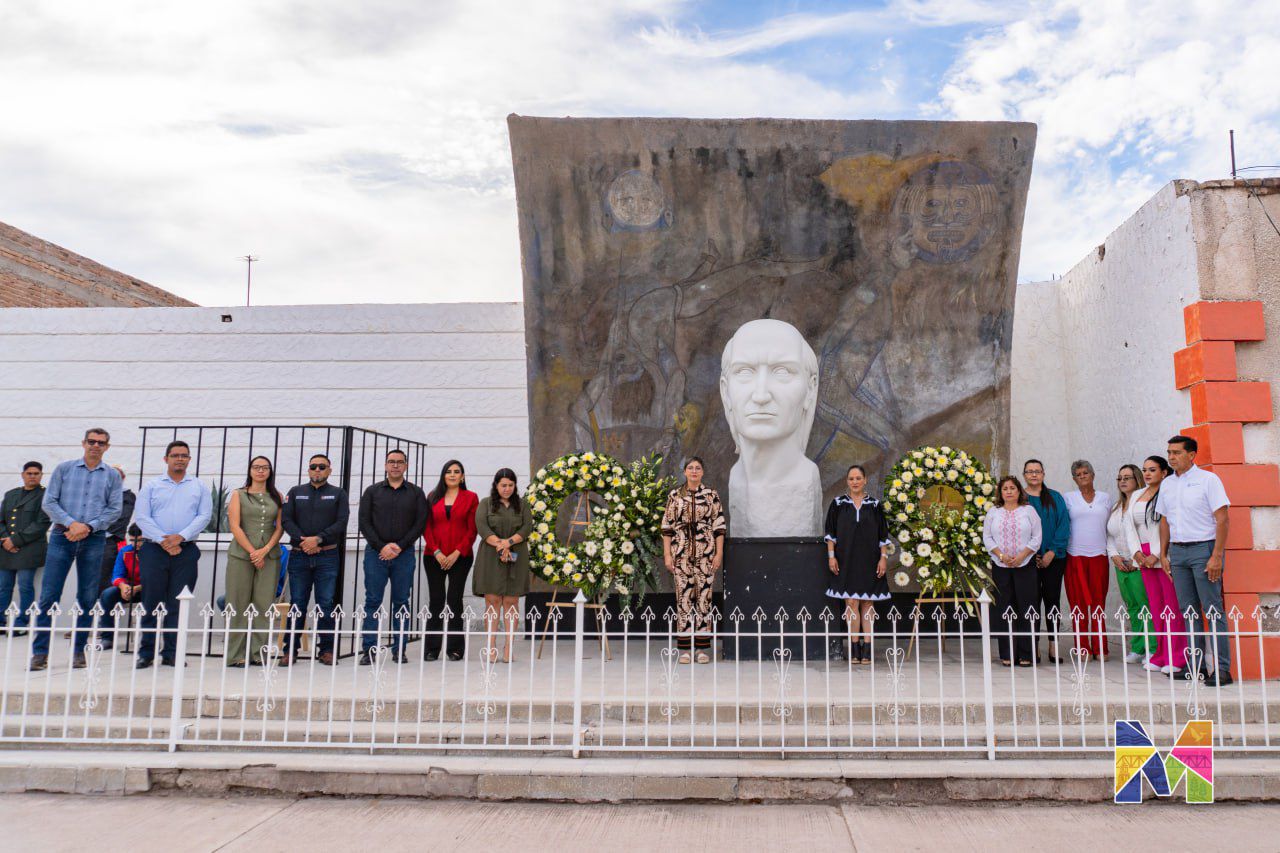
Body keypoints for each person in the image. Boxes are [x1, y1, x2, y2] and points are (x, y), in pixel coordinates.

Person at [719, 319, 823, 537]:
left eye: (783, 371)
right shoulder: (736, 479)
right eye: (745, 371)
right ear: (726, 391)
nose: (761, 395)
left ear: (810, 389)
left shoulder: (806, 479)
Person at [32, 429, 123, 671]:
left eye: (101, 443)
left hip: (94, 539)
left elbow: (114, 509)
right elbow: (49, 501)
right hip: (63, 536)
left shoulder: (112, 476)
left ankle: (79, 651)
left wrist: (88, 527)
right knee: (49, 595)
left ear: (107, 447)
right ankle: (39, 653)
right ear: (83, 443)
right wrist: (72, 524)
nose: (95, 445)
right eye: (91, 441)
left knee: (87, 596)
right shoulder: (64, 469)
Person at [1158, 435, 1232, 687]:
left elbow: (1222, 519)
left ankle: (1222, 669)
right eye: (1169, 452)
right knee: (1188, 611)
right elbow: (1165, 520)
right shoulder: (1167, 484)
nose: (1171, 457)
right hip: (1178, 552)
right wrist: (1163, 553)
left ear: (1191, 455)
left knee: (1212, 610)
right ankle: (1195, 666)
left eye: (1176, 452)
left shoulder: (1208, 480)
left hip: (1204, 548)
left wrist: (1216, 556)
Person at [133, 440, 212, 668]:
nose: (180, 459)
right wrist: (163, 540)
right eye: (175, 455)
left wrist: (180, 537)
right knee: (151, 601)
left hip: (185, 551)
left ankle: (172, 653)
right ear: (165, 458)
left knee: (178, 603)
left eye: (184, 455)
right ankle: (146, 653)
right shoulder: (152, 486)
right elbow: (142, 517)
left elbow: (204, 516)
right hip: (153, 550)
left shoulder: (198, 487)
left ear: (189, 460)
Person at [357, 448, 427, 665]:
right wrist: (381, 547)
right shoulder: (372, 492)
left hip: (404, 555)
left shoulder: (416, 493)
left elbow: (420, 523)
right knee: (373, 602)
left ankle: (399, 650)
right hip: (375, 554)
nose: (395, 465)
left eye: (399, 462)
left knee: (401, 602)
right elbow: (364, 523)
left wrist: (399, 545)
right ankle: (369, 650)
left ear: (406, 466)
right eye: (391, 462)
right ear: (385, 466)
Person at [280, 453, 348, 666]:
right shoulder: (296, 492)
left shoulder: (338, 494)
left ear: (329, 470)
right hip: (300, 555)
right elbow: (286, 519)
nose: (317, 470)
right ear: (308, 470)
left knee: (325, 603)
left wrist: (318, 539)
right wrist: (304, 541)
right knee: (297, 603)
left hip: (327, 555)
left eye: (322, 467)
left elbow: (341, 521)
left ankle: (326, 650)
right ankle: (290, 650)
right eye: (313, 467)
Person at [661, 457, 726, 664]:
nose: (694, 471)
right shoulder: (674, 495)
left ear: (703, 472)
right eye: (691, 468)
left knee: (704, 600)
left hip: (706, 555)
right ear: (685, 472)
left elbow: (719, 527)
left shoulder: (711, 495)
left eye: (698, 468)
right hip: (680, 555)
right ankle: (685, 649)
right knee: (683, 600)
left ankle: (702, 649)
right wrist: (667, 555)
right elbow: (667, 527)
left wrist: (718, 554)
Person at [1128, 455, 1189, 676]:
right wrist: (1136, 552)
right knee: (1156, 608)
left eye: (1152, 470)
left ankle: (1178, 656)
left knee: (1171, 607)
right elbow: (1129, 526)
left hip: (1163, 555)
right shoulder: (1136, 495)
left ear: (1164, 472)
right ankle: (1160, 654)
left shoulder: (1168, 493)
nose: (1147, 474)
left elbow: (1169, 525)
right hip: (1142, 557)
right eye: (1144, 470)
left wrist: (1156, 554)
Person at [823, 464, 890, 664]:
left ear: (865, 480)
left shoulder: (875, 505)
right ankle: (854, 647)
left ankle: (867, 647)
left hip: (870, 560)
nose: (855, 482)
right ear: (847, 481)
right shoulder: (837, 504)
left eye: (858, 478)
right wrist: (831, 556)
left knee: (868, 602)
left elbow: (882, 536)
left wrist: (883, 558)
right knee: (851, 602)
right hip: (845, 559)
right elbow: (830, 534)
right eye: (851, 478)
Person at [224, 456, 284, 667]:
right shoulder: (238, 495)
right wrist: (253, 552)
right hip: (242, 554)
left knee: (263, 604)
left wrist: (265, 550)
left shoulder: (277, 496)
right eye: (256, 467)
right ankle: (235, 654)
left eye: (265, 468)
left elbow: (279, 527)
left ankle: (258, 652)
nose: (260, 471)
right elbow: (235, 526)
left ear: (270, 471)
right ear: (250, 470)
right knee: (238, 603)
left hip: (269, 555)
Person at [473, 468, 533, 664]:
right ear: (496, 485)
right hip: (491, 555)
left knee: (511, 601)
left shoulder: (522, 505)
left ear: (515, 486)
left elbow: (527, 527)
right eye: (503, 485)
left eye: (510, 485)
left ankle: (508, 646)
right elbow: (482, 526)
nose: (507, 489)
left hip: (516, 554)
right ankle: (491, 646)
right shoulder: (486, 504)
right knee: (493, 601)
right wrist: (500, 544)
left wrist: (508, 543)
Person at [982, 475, 1042, 667]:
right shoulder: (993, 512)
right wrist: (1002, 556)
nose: (1008, 491)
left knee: (1027, 607)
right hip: (1001, 567)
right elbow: (988, 538)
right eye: (1005, 488)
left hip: (1025, 566)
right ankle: (1007, 653)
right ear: (1000, 492)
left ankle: (1026, 653)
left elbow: (1036, 537)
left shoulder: (1029, 511)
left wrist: (1022, 556)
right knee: (1004, 608)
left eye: (1012, 488)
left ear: (1019, 491)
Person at [422, 460, 478, 662]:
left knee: (454, 600)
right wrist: (437, 551)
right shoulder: (432, 497)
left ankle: (455, 649)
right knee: (436, 601)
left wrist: (456, 553)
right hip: (433, 556)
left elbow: (472, 529)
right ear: (443, 475)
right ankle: (431, 649)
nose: (453, 475)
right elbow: (426, 527)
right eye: (448, 471)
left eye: (457, 472)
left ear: (462, 476)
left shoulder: (471, 497)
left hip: (460, 558)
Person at [1063, 460, 1112, 661]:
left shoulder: (1105, 498)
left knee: (1098, 603)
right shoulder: (1068, 498)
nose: (1083, 476)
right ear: (1074, 478)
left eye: (1086, 473)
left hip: (1099, 555)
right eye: (1078, 474)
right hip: (1075, 556)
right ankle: (1082, 647)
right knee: (1078, 604)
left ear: (1093, 475)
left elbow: (1110, 526)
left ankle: (1101, 648)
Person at [1022, 459, 1070, 663]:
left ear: (1043, 474)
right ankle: (1033, 646)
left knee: (1052, 601)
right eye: (1029, 472)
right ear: (1024, 475)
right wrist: (1031, 553)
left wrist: (1052, 551)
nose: (1034, 475)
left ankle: (1053, 645)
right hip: (1028, 559)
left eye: (1037, 471)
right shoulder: (1020, 498)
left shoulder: (1055, 497)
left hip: (1054, 558)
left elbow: (1064, 524)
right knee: (1031, 602)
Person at [1107, 464, 1152, 664]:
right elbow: (1110, 535)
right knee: (1132, 606)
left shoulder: (1141, 506)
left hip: (1138, 564)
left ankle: (1153, 647)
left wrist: (1135, 560)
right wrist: (1114, 556)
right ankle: (1138, 647)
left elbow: (1146, 534)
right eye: (1119, 478)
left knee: (1145, 606)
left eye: (1127, 477)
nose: (1122, 481)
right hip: (1120, 565)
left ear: (1137, 480)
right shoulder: (1116, 508)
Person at [0, 462, 50, 635]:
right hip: (6, 548)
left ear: (41, 475)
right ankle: (1, 621)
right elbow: (2, 521)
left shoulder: (45, 496)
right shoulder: (11, 494)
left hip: (30, 548)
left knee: (25, 585)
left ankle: (22, 623)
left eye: (36, 473)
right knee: (4, 586)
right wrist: (5, 540)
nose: (32, 476)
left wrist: (15, 541)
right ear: (23, 475)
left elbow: (41, 524)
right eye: (29, 473)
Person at [97, 524, 143, 650]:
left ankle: (148, 639)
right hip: (129, 588)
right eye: (133, 540)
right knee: (107, 594)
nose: (136, 544)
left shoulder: (153, 552)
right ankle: (107, 638)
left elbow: (155, 578)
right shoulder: (125, 551)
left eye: (140, 540)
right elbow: (117, 575)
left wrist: (137, 588)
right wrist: (123, 586)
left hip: (148, 588)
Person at [97, 465, 136, 593]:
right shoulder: (99, 493)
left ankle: (105, 609)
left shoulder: (127, 496)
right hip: (93, 540)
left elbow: (121, 520)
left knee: (105, 579)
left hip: (110, 542)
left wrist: (93, 525)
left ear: (123, 478)